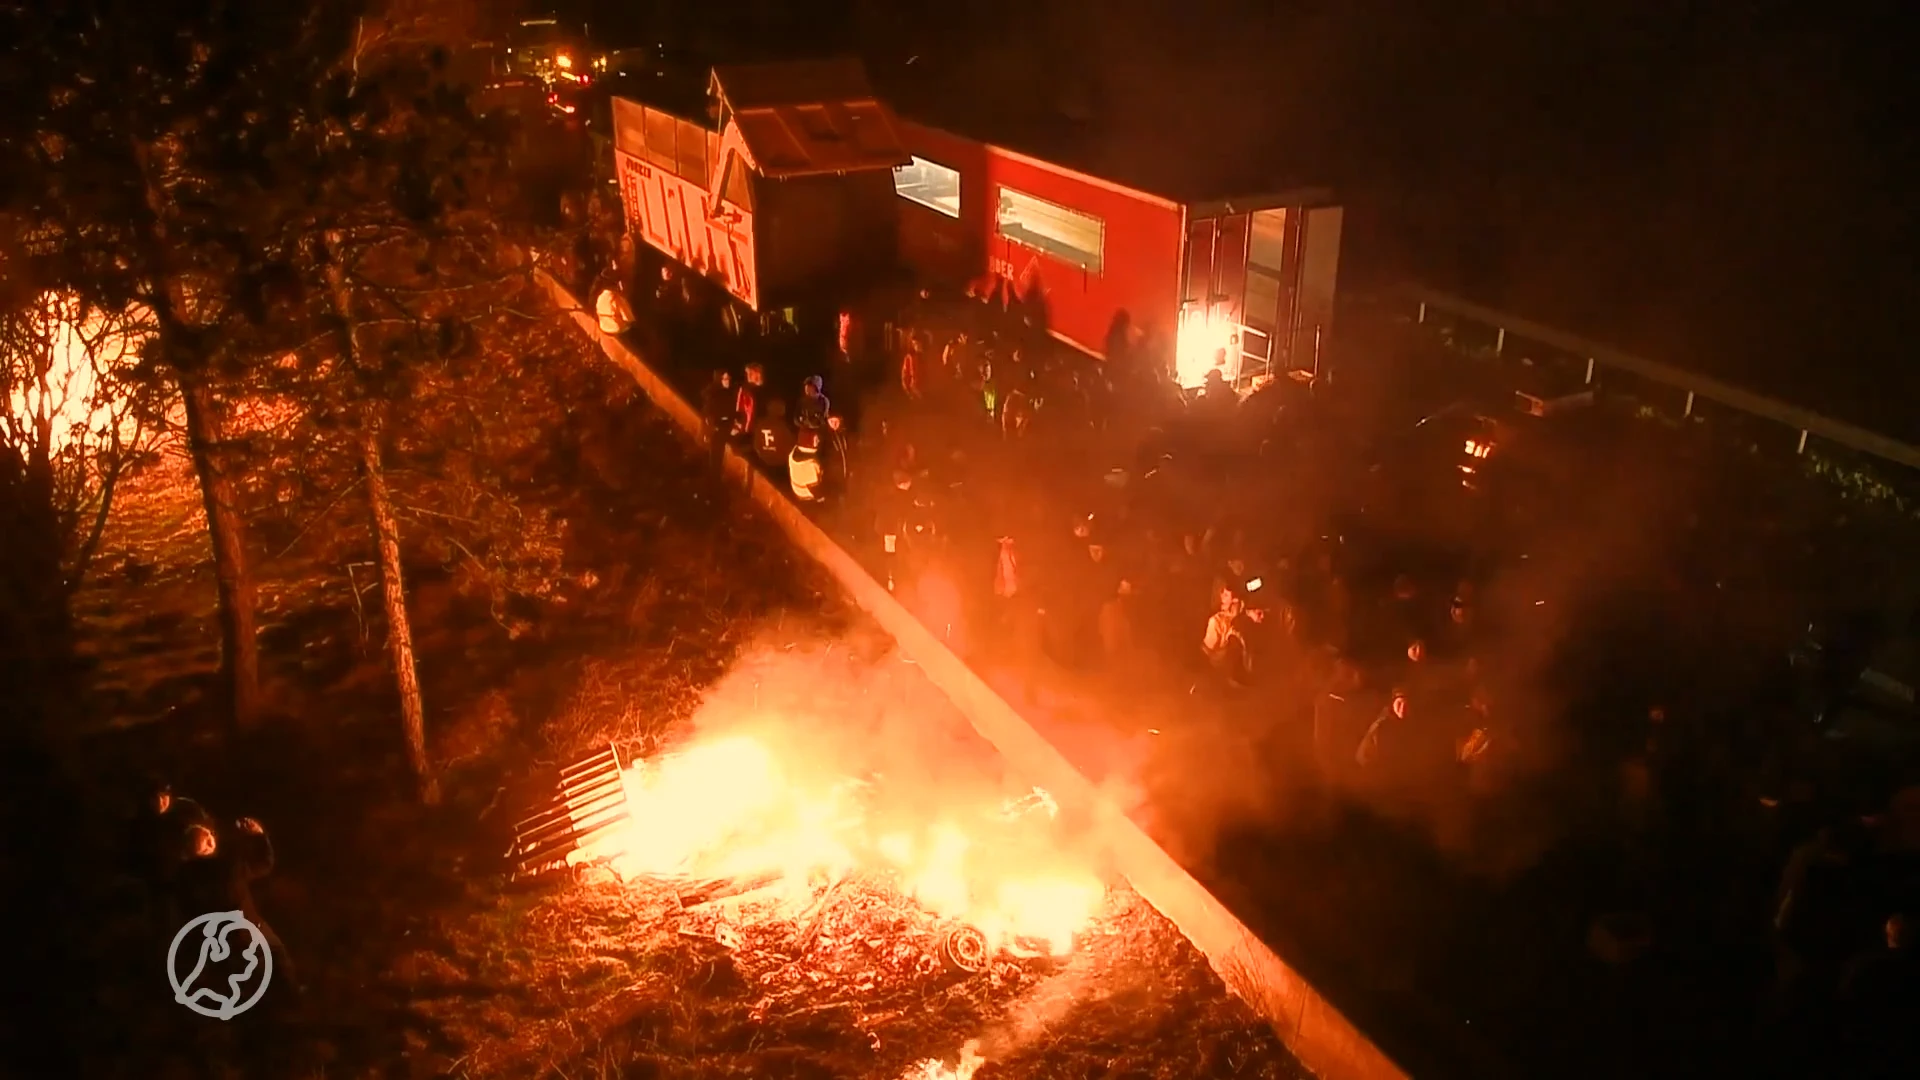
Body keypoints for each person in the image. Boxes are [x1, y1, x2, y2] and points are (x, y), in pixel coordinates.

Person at [177, 817, 297, 997]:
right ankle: (290, 1001)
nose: (211, 836)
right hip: (241, 934)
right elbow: (264, 864)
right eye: (206, 836)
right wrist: (259, 836)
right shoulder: (225, 867)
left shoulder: (186, 876)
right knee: (274, 961)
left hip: (217, 939)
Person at [700, 369, 735, 476]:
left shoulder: (727, 393)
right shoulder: (713, 396)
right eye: (725, 379)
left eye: (729, 379)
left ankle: (715, 477)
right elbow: (709, 416)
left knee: (718, 457)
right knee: (715, 457)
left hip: (722, 428)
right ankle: (713, 479)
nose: (728, 381)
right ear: (719, 380)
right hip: (716, 431)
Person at [789, 428, 826, 503]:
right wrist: (823, 498)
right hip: (806, 496)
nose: (818, 441)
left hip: (796, 491)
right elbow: (815, 490)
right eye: (815, 440)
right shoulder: (809, 464)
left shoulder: (794, 452)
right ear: (809, 443)